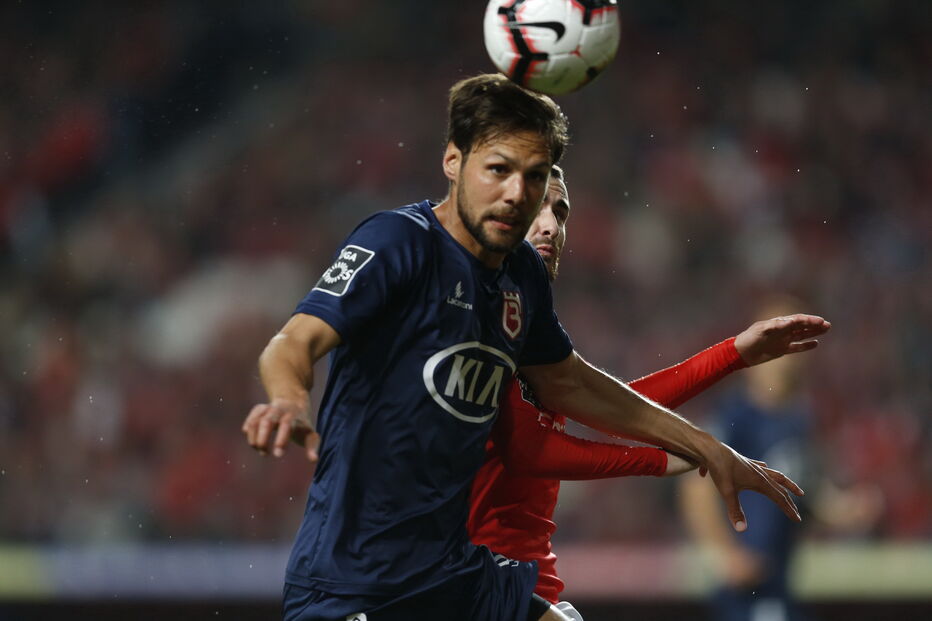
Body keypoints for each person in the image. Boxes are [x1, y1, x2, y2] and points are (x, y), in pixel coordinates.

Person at [242, 73, 804, 621]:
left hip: (455, 575)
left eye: (535, 179)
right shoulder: (398, 243)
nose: (518, 195)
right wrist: (288, 399)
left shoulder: (522, 280)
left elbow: (576, 385)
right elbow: (294, 341)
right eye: (499, 170)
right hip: (352, 582)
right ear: (452, 161)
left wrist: (708, 446)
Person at [467, 169, 832, 619]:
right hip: (478, 574)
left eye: (560, 211)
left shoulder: (527, 315)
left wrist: (734, 353)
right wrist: (656, 459)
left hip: (528, 575)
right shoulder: (474, 309)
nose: (550, 226)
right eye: (536, 208)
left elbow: (611, 404)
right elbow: (527, 449)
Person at [680, 298, 875, 621]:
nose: (784, 357)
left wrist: (844, 511)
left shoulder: (799, 421)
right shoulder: (735, 418)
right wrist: (725, 555)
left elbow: (807, 492)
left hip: (778, 582)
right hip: (745, 588)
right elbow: (696, 489)